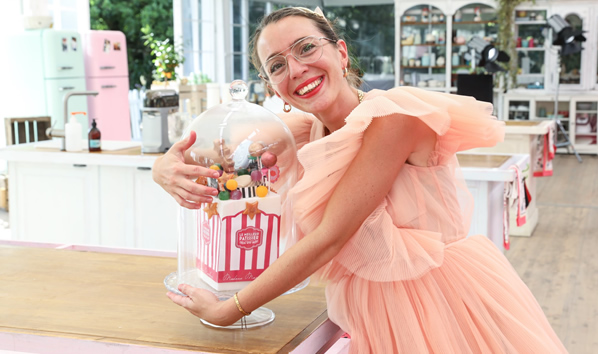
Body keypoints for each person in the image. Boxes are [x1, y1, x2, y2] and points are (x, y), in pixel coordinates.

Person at [152, 7, 567, 353]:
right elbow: (212, 149)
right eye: (277, 65)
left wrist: (230, 309)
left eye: (306, 48)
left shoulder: (395, 118)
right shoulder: (302, 131)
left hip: (442, 305)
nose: (296, 68)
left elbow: (331, 237)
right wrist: (164, 168)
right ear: (272, 86)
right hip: (369, 315)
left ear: (341, 53)